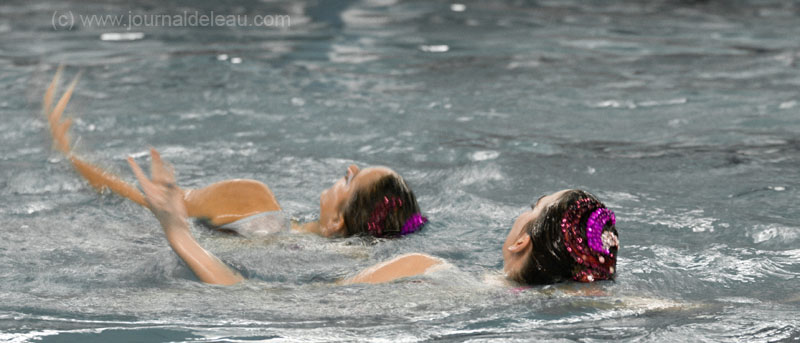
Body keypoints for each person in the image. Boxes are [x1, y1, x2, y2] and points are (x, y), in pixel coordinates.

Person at [126, 148, 616, 286]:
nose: (520, 211)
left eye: (531, 206)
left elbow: (250, 299)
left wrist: (177, 231)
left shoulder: (422, 269)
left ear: (520, 243)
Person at [43, 67, 427, 239]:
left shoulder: (254, 200)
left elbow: (151, 201)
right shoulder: (344, 262)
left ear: (334, 224)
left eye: (351, 179)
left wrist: (72, 156)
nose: (350, 165)